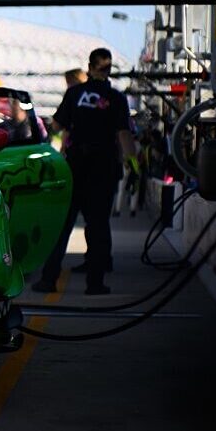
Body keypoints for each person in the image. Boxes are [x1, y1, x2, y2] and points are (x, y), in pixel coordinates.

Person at [32, 48, 138, 295]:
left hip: (76, 165)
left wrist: (52, 150)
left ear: (89, 67)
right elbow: (124, 134)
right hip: (103, 167)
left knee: (64, 224)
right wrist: (134, 165)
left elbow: (57, 125)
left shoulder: (75, 93)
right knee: (98, 226)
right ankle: (95, 283)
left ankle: (48, 280)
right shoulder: (117, 98)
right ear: (109, 69)